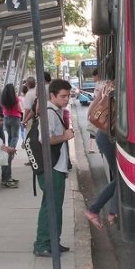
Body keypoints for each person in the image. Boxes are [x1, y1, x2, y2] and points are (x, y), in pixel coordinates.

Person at [33, 79, 75, 257]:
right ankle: (43, 243)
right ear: (52, 96)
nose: (66, 100)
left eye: (68, 96)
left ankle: (53, 242)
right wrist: (65, 136)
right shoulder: (49, 113)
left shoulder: (55, 110)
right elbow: (45, 139)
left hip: (57, 165)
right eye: (63, 96)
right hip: (52, 166)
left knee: (55, 205)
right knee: (51, 205)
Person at [84, 56, 118, 229]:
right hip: (110, 136)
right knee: (121, 177)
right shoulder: (121, 86)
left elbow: (90, 112)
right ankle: (95, 210)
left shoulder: (106, 85)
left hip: (102, 134)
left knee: (118, 176)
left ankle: (113, 212)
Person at [0, 83, 22, 188]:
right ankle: (11, 150)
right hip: (15, 118)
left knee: (10, 136)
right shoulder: (15, 99)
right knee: (15, 137)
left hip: (6, 118)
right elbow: (20, 109)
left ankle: (9, 148)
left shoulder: (3, 99)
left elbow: (2, 108)